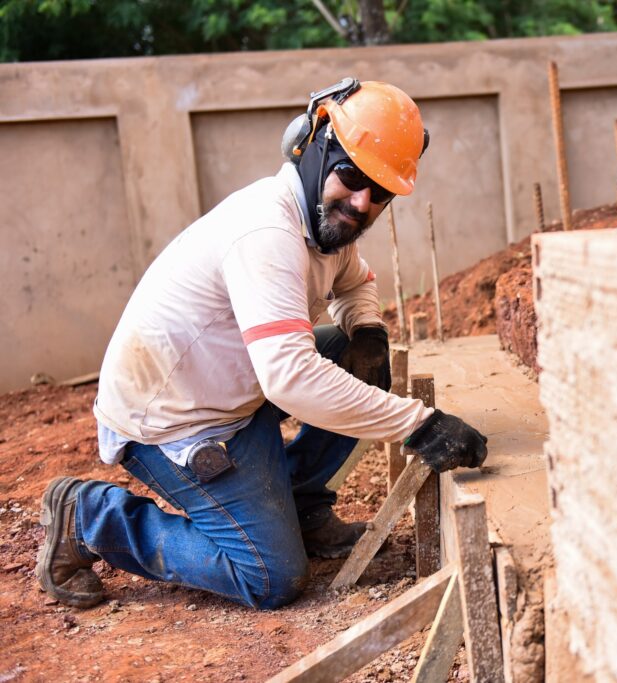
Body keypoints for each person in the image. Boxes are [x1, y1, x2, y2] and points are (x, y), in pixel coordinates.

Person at [35, 79, 488, 610]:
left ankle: (300, 505)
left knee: (352, 355)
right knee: (269, 577)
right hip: (173, 421)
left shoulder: (324, 227)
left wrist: (366, 331)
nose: (363, 203)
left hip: (233, 391)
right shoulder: (266, 233)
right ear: (310, 145)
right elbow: (291, 378)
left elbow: (356, 282)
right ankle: (90, 517)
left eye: (381, 191)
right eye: (351, 175)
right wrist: (420, 425)